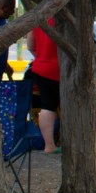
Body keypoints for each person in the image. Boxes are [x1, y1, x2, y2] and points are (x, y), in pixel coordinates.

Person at [27, 18, 61, 154]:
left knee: (47, 106)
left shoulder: (38, 18)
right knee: (64, 105)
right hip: (60, 68)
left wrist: (41, 56)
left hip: (40, 66)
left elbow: (30, 46)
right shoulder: (64, 18)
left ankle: (49, 144)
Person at [0, 0, 16, 81]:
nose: (13, 12)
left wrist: (5, 65)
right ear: (4, 8)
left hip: (0, 68)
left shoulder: (2, 21)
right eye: (12, 8)